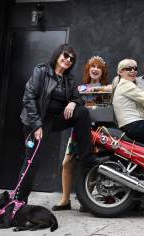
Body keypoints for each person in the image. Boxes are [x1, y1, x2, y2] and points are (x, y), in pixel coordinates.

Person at [16, 44, 97, 203]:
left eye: (71, 59)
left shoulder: (69, 79)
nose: (68, 60)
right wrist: (37, 125)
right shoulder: (42, 71)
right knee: (32, 160)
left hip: (55, 120)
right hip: (36, 121)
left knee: (82, 112)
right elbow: (28, 98)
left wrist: (73, 102)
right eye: (65, 56)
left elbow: (79, 97)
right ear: (58, 55)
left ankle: (86, 157)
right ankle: (19, 200)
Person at [52, 56, 110, 211]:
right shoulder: (79, 88)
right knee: (67, 163)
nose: (95, 69)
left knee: (90, 164)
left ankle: (87, 200)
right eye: (93, 66)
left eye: (99, 67)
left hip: (98, 131)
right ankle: (65, 199)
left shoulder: (108, 88)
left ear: (102, 71)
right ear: (88, 69)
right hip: (78, 130)